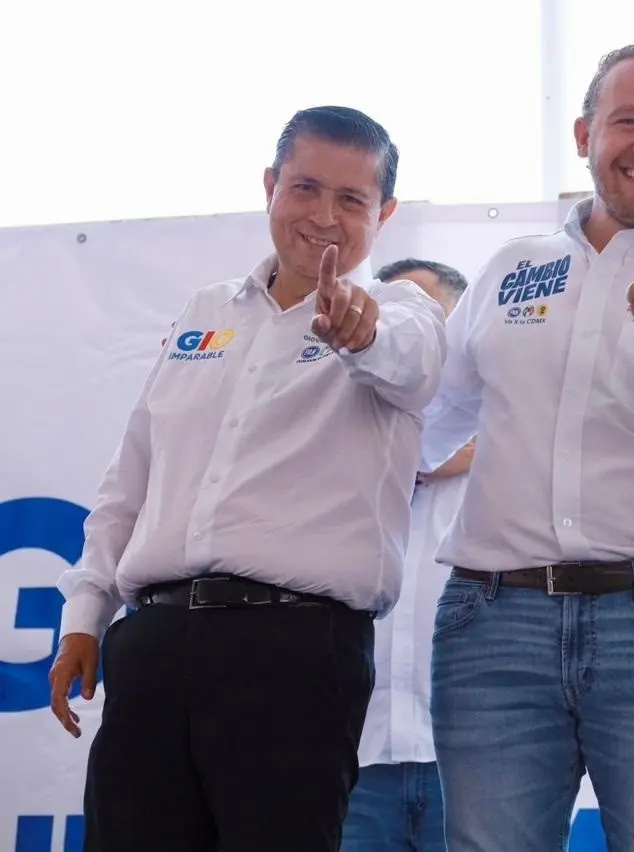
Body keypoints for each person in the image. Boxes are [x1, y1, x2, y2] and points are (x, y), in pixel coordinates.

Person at [47, 106, 448, 852]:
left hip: (295, 651)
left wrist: (359, 333)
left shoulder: (402, 311)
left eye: (352, 200)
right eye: (304, 187)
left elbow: (409, 361)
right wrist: (86, 614)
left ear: (384, 213)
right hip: (154, 643)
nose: (323, 216)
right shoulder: (205, 311)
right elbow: (131, 478)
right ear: (269, 186)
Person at [418, 42, 634, 852]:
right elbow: (426, 425)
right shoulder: (512, 270)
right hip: (493, 623)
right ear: (583, 133)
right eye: (627, 121)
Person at [340, 258, 470, 852]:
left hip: (478, 770)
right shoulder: (326, 475)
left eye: (425, 321)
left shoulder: (514, 477)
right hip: (349, 767)